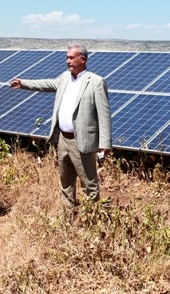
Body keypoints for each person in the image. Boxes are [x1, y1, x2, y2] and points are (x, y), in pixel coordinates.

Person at [9, 44, 112, 208]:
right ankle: (68, 217)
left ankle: (93, 219)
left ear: (82, 59)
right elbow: (47, 84)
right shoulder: (65, 77)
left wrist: (105, 143)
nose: (67, 61)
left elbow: (104, 114)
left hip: (83, 141)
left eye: (71, 58)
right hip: (63, 139)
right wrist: (23, 83)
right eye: (67, 57)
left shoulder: (96, 82)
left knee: (89, 184)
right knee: (65, 182)